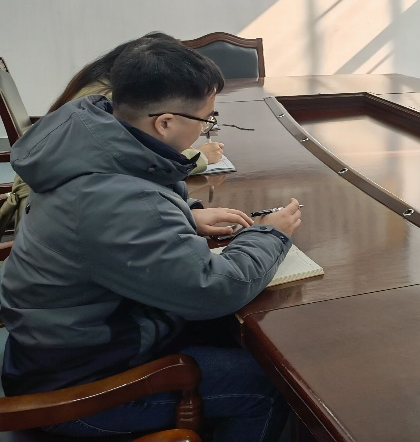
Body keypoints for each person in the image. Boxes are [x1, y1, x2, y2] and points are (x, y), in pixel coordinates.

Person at [0, 38, 300, 441]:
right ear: (165, 123)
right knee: (268, 384)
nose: (206, 128)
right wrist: (271, 234)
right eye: (206, 119)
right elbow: (214, 289)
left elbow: (129, 207)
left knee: (233, 340)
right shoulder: (118, 200)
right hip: (77, 387)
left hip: (62, 347)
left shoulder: (93, 141)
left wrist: (186, 214)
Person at [0, 33, 224, 234]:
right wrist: (199, 158)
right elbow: (131, 166)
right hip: (51, 213)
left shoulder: (103, 91)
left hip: (49, 204)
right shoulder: (106, 99)